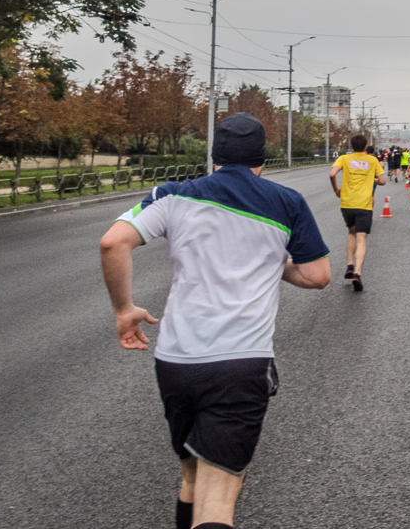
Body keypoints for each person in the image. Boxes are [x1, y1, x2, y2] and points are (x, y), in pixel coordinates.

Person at [99, 113, 330, 529]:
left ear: (215, 155)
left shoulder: (172, 194)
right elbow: (317, 276)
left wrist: (124, 310)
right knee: (219, 496)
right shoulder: (286, 202)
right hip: (240, 363)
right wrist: (272, 261)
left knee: (191, 474)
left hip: (175, 362)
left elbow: (113, 242)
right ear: (262, 158)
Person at [329, 132, 387, 292]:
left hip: (347, 203)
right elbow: (382, 181)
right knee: (361, 238)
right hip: (364, 204)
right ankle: (357, 273)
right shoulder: (373, 160)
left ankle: (349, 264)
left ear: (352, 146)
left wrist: (336, 190)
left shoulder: (344, 158)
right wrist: (370, 179)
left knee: (351, 232)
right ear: (366, 146)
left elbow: (332, 173)